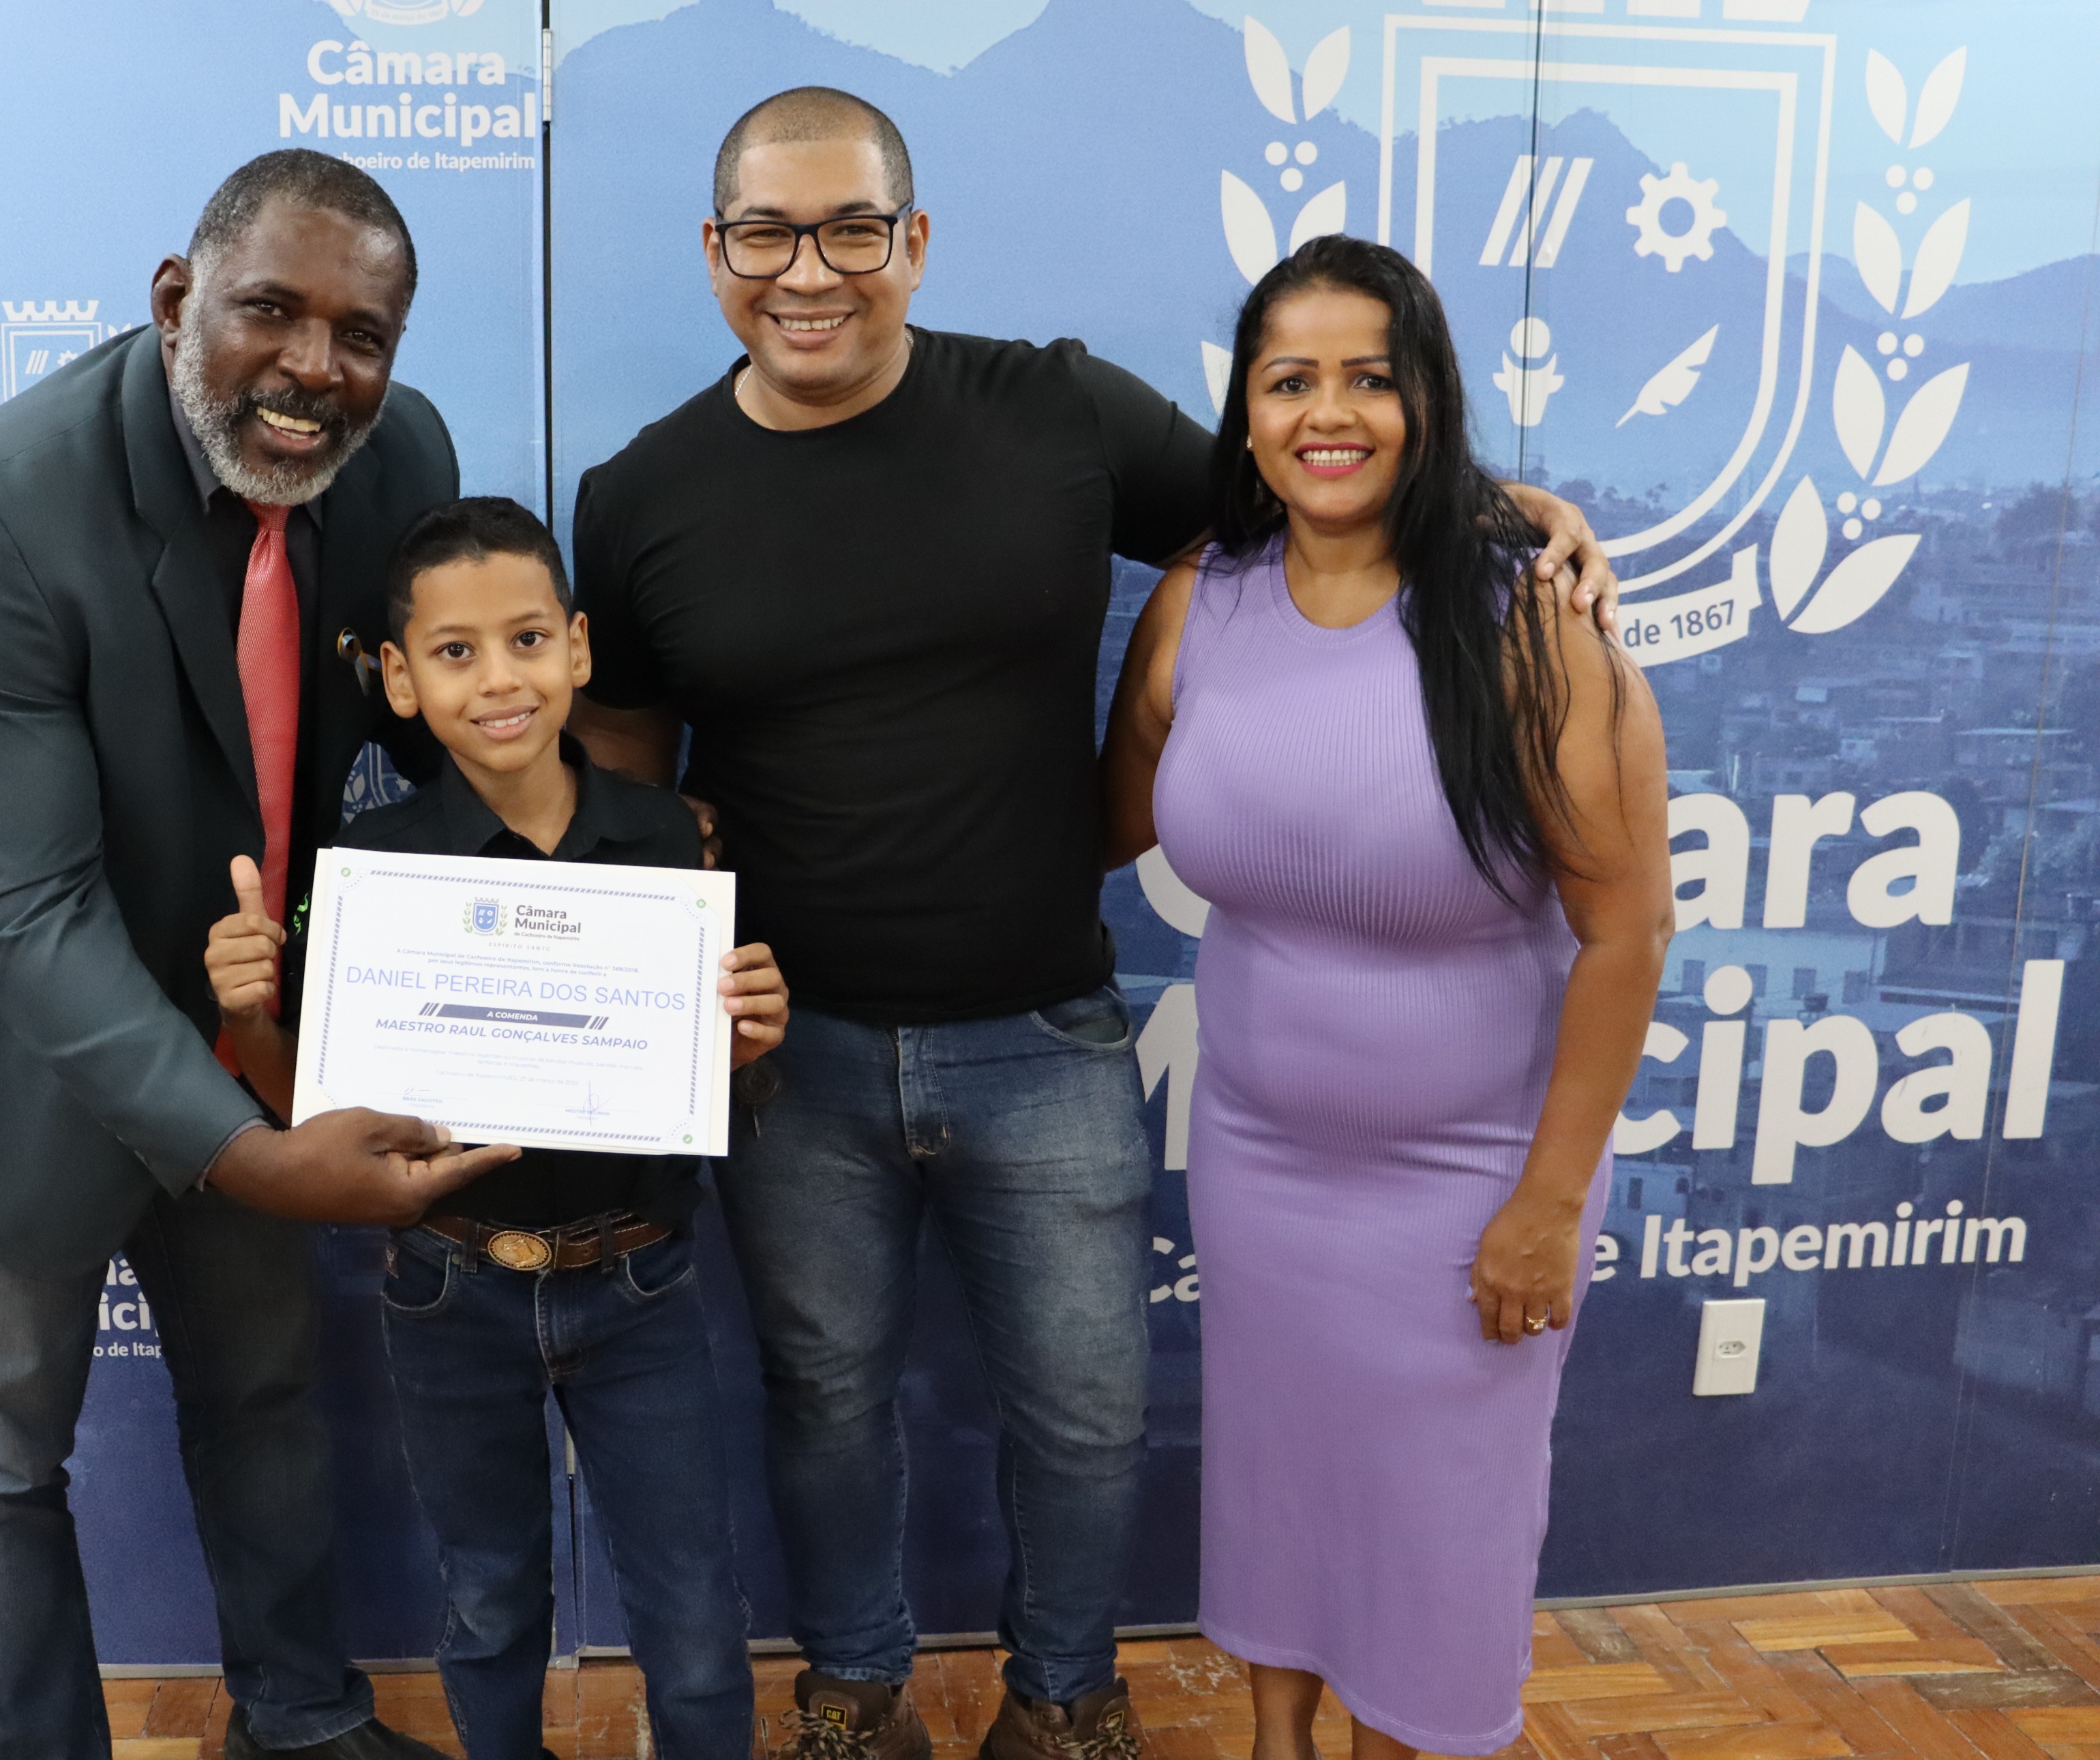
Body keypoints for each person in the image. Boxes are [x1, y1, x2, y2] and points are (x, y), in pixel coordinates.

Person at [567, 87, 1630, 1760]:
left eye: (851, 229)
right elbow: (624, 762)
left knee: (1082, 1413)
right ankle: (855, 1687)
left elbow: (1314, 476)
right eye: (766, 233)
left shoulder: (1056, 409)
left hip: (1044, 1029)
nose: (808, 271)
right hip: (789, 1054)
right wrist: (658, 871)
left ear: (914, 241)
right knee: (825, 1397)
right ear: (715, 250)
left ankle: (1064, 1699)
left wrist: (1508, 510)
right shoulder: (639, 494)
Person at [0, 151, 518, 1760]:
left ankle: (299, 1723)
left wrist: (606, 882)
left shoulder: (402, 458)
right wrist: (254, 1154)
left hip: (246, 1026)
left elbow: (431, 743)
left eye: (362, 335)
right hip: (11, 1052)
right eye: (269, 311)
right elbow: (21, 913)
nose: (313, 368)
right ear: (174, 300)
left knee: (264, 1397)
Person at [1097, 235, 1673, 1760]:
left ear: (1429, 398)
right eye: (1290, 380)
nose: (1328, 412)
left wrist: (1548, 1203)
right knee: (1279, 1483)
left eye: (1370, 376)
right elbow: (1106, 819)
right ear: (1245, 415)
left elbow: (1625, 937)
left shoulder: (1531, 623)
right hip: (1256, 1156)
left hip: (1473, 1181)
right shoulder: (1198, 604)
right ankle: (1278, 1741)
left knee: (1440, 1537)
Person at [203, 496, 790, 1760]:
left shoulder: (667, 837)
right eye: (454, 652)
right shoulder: (372, 868)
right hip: (448, 1288)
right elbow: (310, 1107)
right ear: (400, 680)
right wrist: (249, 1016)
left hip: (638, 1281)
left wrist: (748, 1039)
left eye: (526, 639)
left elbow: (707, 1077)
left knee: (693, 1611)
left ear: (576, 647)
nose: (499, 680)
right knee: (486, 1600)